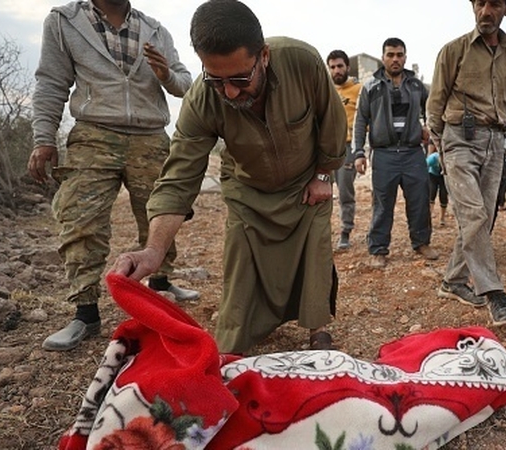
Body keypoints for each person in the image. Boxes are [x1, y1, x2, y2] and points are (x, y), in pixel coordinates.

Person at [111, 0, 347, 353]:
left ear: (263, 56)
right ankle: (236, 344)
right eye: (216, 80)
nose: (230, 92)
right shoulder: (201, 100)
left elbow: (332, 120)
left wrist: (324, 175)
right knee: (240, 277)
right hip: (247, 192)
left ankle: (318, 330)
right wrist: (154, 250)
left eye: (240, 79)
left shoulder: (302, 61)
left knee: (314, 253)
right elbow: (179, 178)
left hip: (306, 184)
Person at [28, 0, 196, 351]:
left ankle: (161, 284)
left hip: (150, 135)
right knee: (81, 219)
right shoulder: (65, 21)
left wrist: (165, 74)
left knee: (162, 212)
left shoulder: (155, 29)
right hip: (94, 133)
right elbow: (51, 82)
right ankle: (85, 311)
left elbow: (185, 84)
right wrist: (44, 138)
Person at [427, 0, 506, 325]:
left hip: (495, 140)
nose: (485, 11)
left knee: (482, 218)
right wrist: (442, 146)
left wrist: (502, 131)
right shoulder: (453, 50)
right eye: (480, 3)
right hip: (459, 138)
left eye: (494, 4)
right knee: (474, 215)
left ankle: (452, 282)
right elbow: (435, 103)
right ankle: (495, 294)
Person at [352, 37, 439, 269]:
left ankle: (421, 243)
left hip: (412, 153)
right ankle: (378, 249)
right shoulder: (371, 86)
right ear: (383, 58)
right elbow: (360, 120)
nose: (395, 59)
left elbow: (432, 109)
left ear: (405, 57)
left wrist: (427, 127)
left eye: (399, 55)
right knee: (382, 204)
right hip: (384, 154)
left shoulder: (416, 86)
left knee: (419, 200)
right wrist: (358, 153)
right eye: (390, 55)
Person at [327, 50, 362, 251]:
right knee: (322, 190)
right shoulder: (326, 89)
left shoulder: (358, 89)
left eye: (340, 66)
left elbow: (366, 118)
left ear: (348, 67)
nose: (336, 70)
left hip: (348, 148)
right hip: (326, 149)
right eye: (332, 67)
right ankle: (323, 233)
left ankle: (345, 231)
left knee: (345, 192)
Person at [426, 142, 449, 226]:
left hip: (444, 176)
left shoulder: (448, 159)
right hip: (433, 176)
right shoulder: (433, 158)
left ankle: (442, 218)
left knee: (443, 196)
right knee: (431, 194)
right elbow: (424, 167)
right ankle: (428, 218)